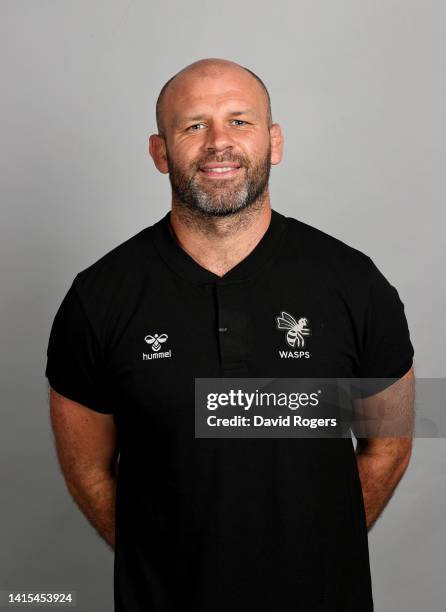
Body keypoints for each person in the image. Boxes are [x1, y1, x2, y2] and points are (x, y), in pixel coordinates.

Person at [45, 57, 415, 611]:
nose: (219, 142)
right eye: (194, 125)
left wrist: (317, 554)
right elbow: (88, 471)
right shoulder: (98, 298)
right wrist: (167, 566)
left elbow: (389, 447)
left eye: (239, 121)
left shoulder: (356, 284)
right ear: (160, 151)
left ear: (274, 142)